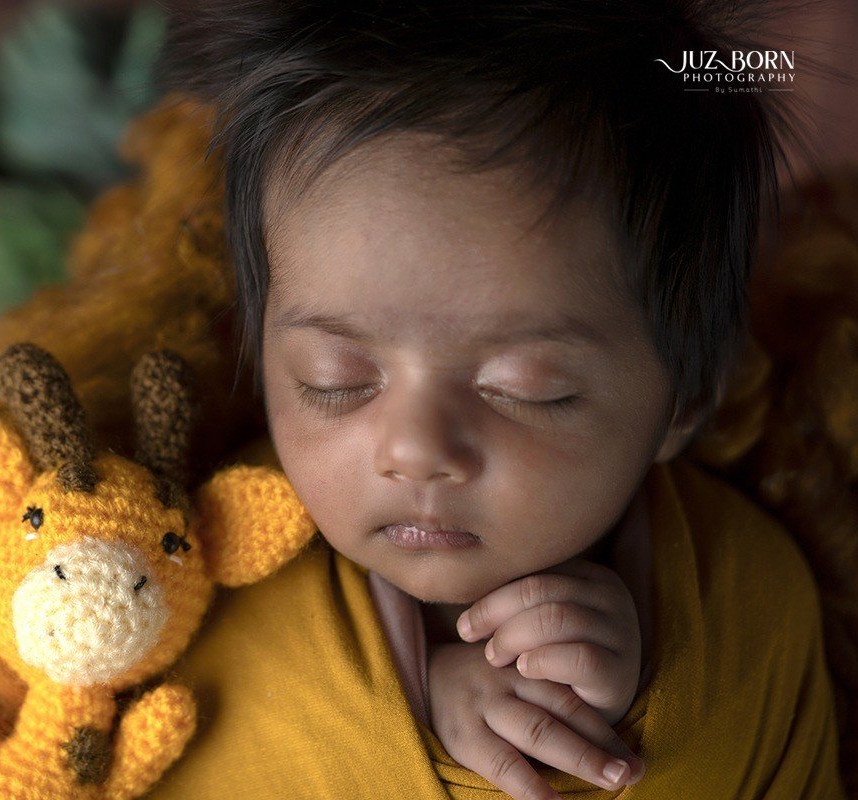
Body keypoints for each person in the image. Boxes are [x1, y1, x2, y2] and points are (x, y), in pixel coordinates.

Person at [144, 1, 845, 798]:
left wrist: (606, 729)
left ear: (682, 399)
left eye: (523, 389)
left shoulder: (749, 605)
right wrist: (429, 693)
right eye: (334, 380)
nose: (414, 449)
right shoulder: (195, 572)